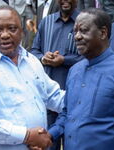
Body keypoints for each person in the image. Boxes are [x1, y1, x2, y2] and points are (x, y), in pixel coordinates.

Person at [0, 6, 65, 150]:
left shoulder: (31, 61)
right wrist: (26, 136)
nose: (5, 35)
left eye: (12, 28)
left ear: (22, 32)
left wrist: (86, 101)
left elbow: (54, 96)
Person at [49, 8, 114, 150]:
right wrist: (50, 134)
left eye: (84, 30)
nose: (77, 36)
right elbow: (67, 113)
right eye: (75, 31)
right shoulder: (74, 70)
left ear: (103, 33)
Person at [31, 0, 82, 149]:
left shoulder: (83, 23)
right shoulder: (46, 22)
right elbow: (34, 51)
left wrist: (64, 60)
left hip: (74, 96)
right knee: (48, 143)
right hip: (48, 96)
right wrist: (43, 57)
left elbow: (89, 56)